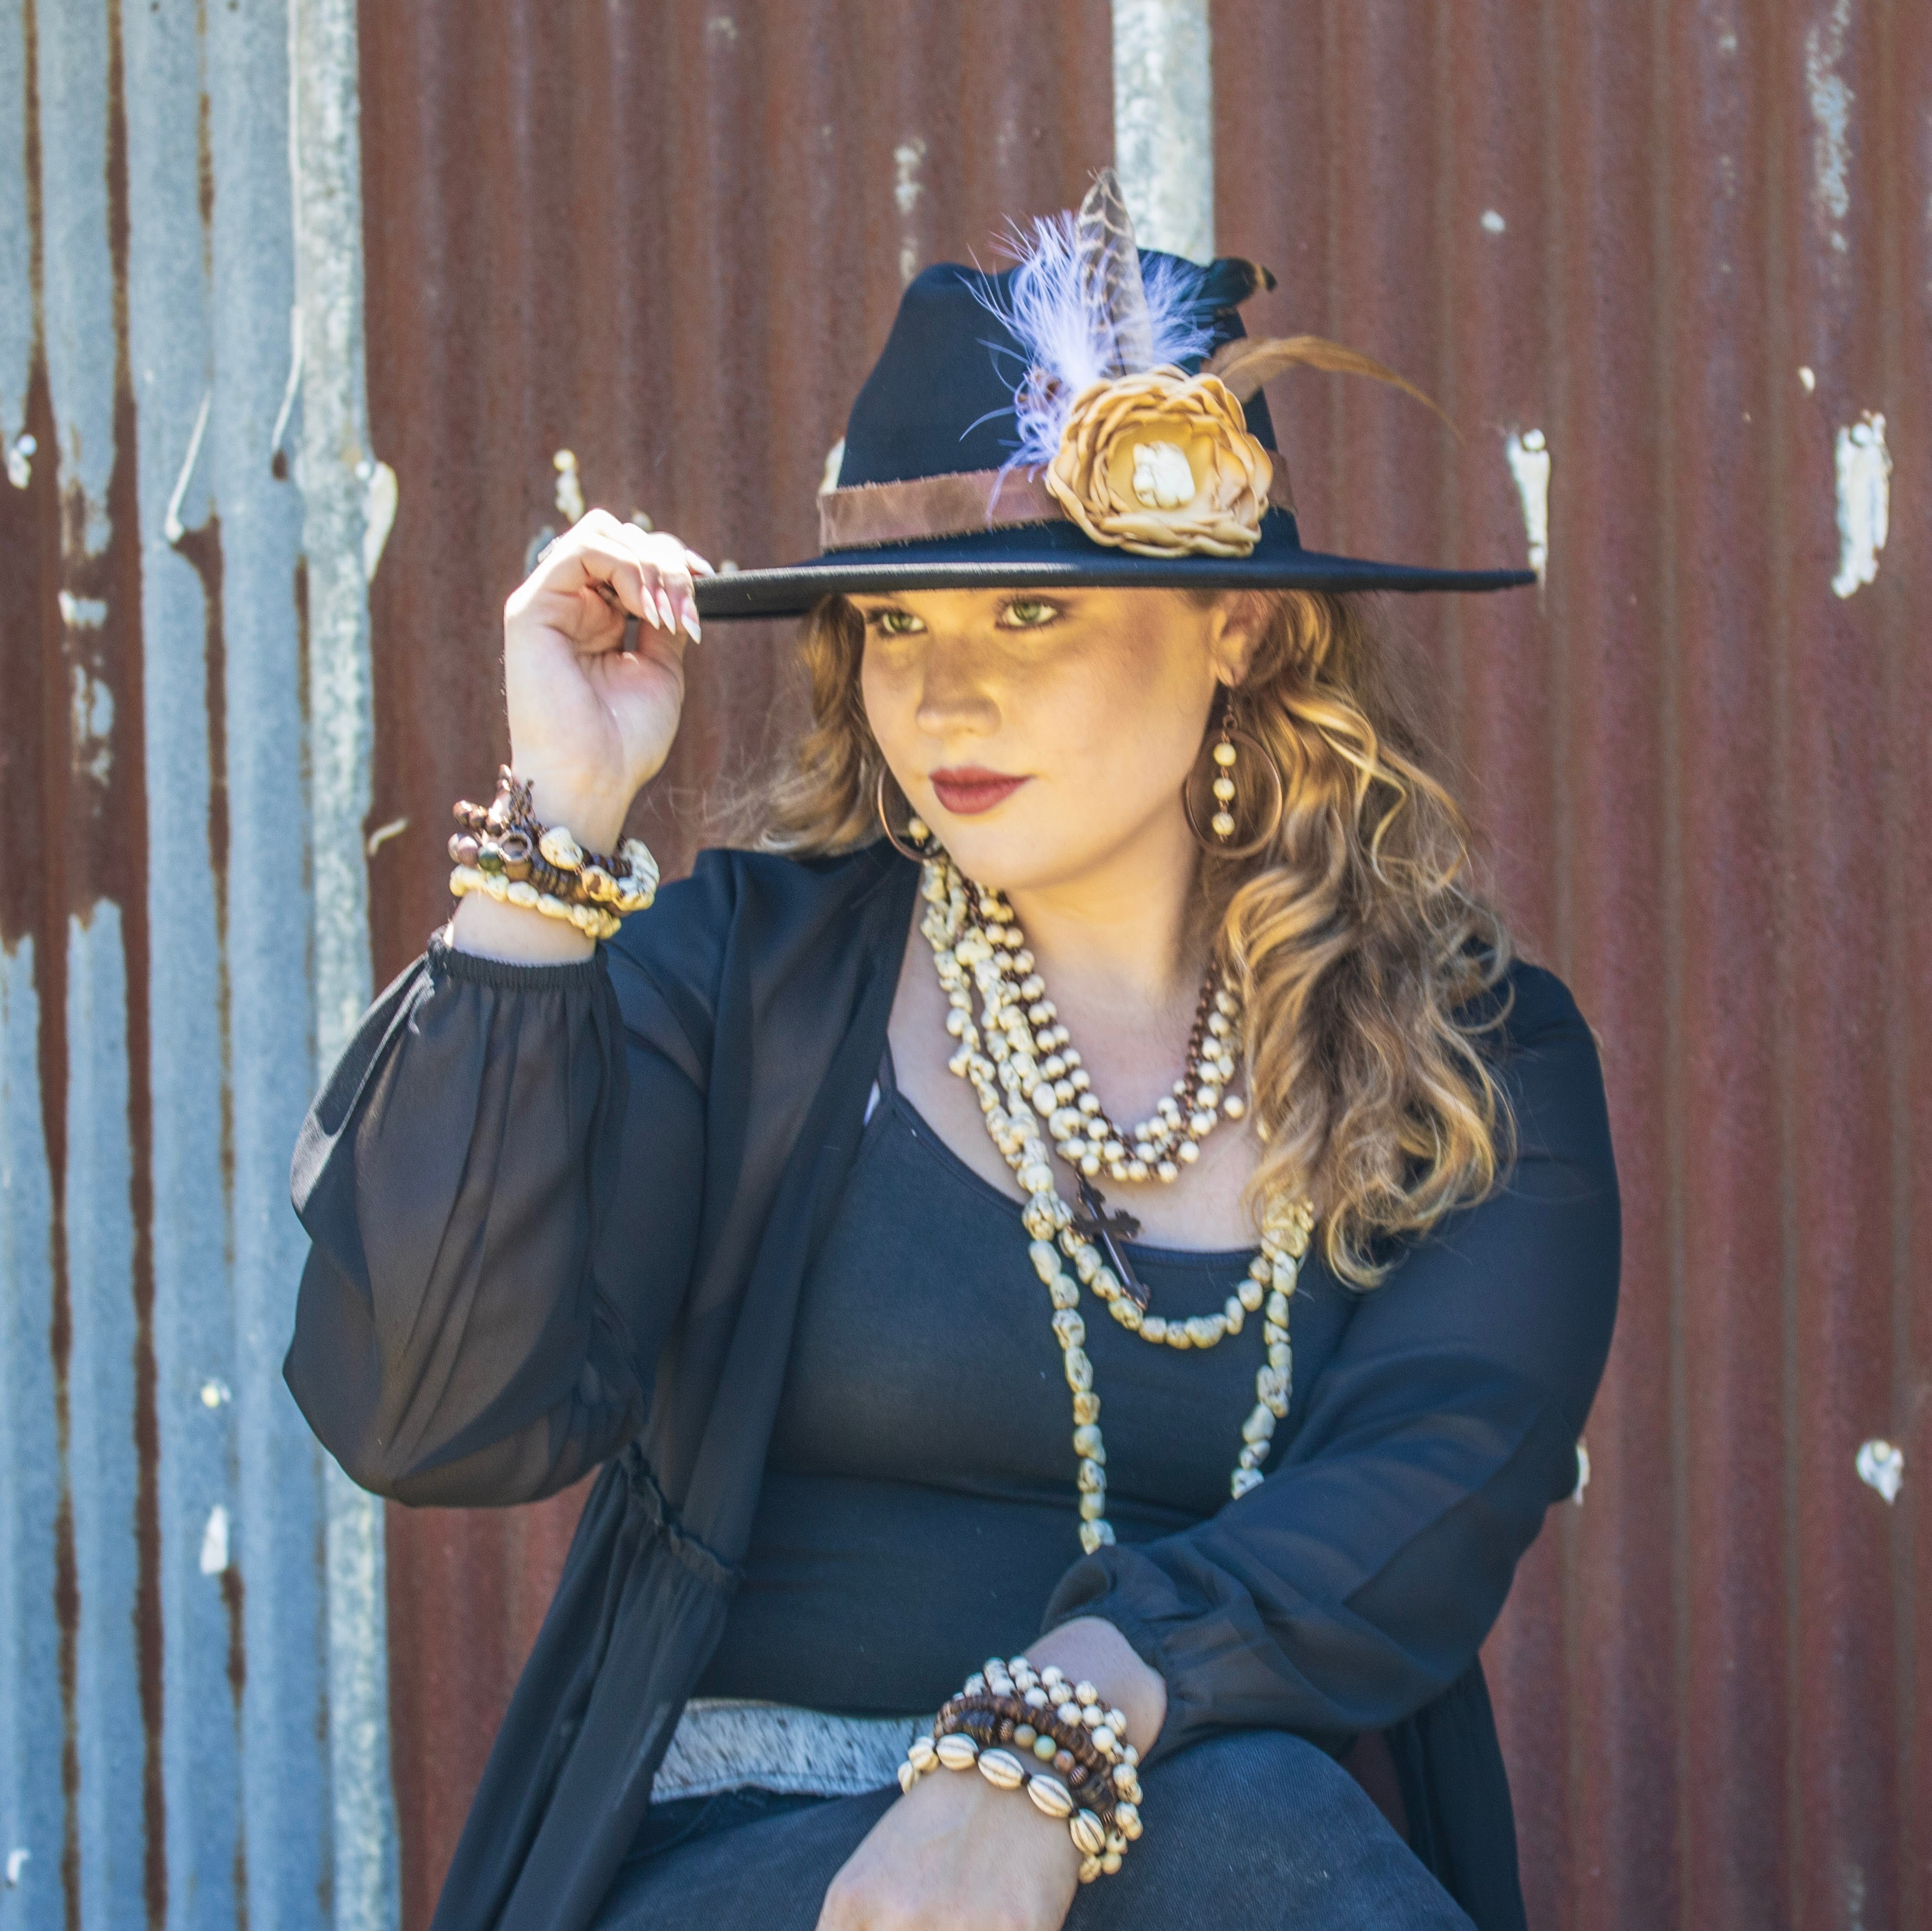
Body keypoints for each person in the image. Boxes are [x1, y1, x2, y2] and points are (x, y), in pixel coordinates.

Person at [285, 174, 1620, 1931]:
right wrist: (555, 840)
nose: (943, 696)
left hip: (1215, 1843)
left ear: (1246, 626)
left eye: (1029, 610)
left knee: (1250, 1834)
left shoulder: (1480, 1061)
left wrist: (1051, 1747)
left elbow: (1431, 1498)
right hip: (753, 1858)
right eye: (898, 623)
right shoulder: (754, 977)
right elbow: (432, 1414)